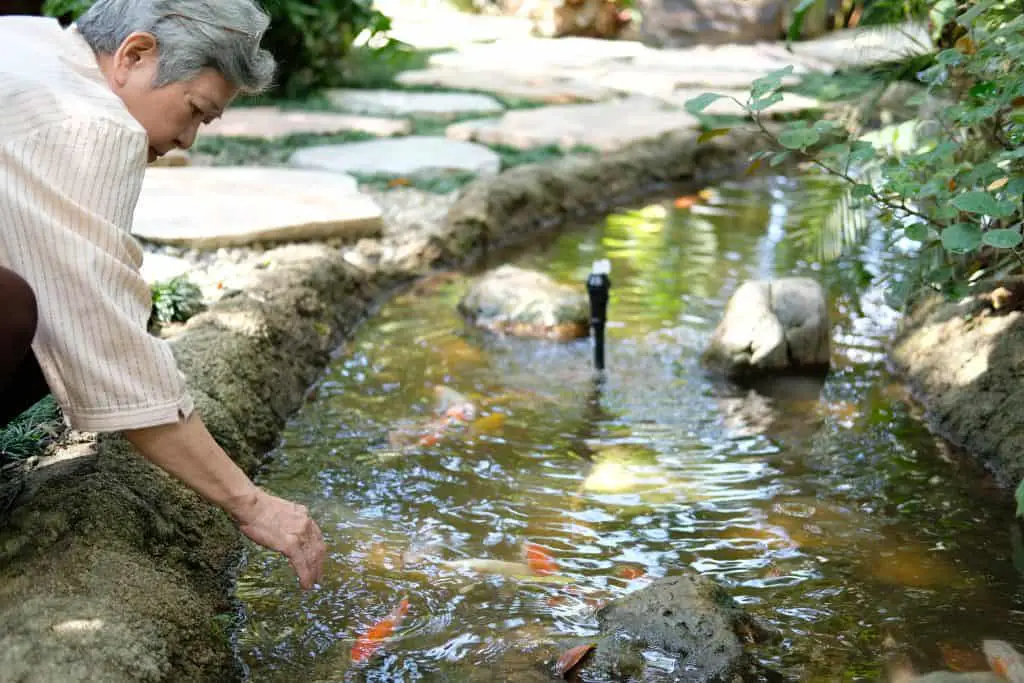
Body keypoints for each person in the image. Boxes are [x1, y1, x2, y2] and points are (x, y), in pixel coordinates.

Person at [0, 0, 326, 589]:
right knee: (20, 309)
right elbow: (105, 340)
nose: (188, 140)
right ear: (135, 54)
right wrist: (252, 503)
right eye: (196, 110)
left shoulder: (27, 40)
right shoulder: (92, 119)